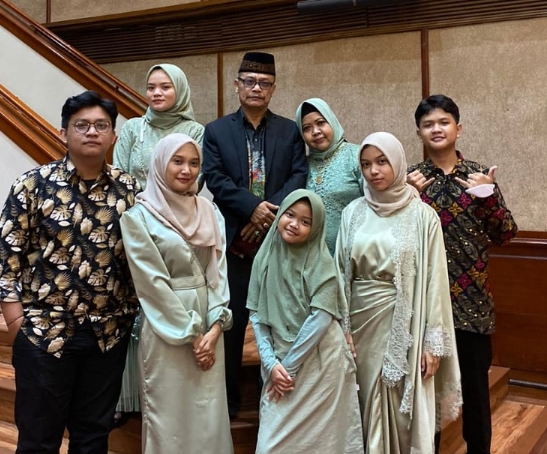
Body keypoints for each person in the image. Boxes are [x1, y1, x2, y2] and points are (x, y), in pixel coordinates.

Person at [0, 90, 140, 454]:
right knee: (38, 441)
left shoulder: (129, 191)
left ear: (113, 135)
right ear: (64, 132)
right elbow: (4, 256)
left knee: (93, 436)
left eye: (101, 125)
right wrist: (16, 324)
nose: (92, 131)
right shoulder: (33, 185)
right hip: (43, 336)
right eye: (82, 124)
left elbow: (146, 259)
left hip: (108, 335)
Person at [224, 189, 378, 454]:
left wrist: (287, 367)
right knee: (272, 453)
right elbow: (257, 316)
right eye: (290, 215)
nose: (294, 224)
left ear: (317, 228)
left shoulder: (321, 262)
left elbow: (321, 318)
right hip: (281, 366)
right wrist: (272, 364)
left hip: (321, 368)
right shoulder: (265, 256)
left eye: (306, 221)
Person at [119, 133, 243, 454]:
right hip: (167, 332)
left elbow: (218, 274)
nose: (187, 170)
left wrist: (215, 326)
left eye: (193, 162)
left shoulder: (208, 211)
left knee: (210, 435)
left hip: (210, 328)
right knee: (171, 437)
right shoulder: (137, 217)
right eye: (177, 162)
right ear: (159, 165)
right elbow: (151, 284)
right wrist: (192, 334)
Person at [335, 131, 462, 454]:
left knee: (405, 424)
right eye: (366, 164)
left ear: (398, 162)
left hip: (405, 327)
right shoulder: (353, 212)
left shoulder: (422, 216)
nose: (374, 171)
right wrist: (341, 329)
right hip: (358, 327)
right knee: (362, 420)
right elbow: (340, 272)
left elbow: (436, 281)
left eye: (382, 162)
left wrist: (432, 342)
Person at [407, 94, 518, 454]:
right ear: (419, 132)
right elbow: (396, 239)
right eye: (428, 124)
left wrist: (487, 196)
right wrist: (407, 199)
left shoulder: (478, 175)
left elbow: (505, 233)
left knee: (475, 394)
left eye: (444, 122)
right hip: (424, 307)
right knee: (427, 397)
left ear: (458, 128)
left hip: (472, 305)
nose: (436, 129)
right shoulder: (411, 179)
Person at [202, 51, 308, 420]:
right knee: (231, 327)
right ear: (237, 85)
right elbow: (215, 178)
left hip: (277, 245)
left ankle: (274, 405)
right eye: (249, 81)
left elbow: (298, 176)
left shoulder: (289, 131)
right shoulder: (216, 131)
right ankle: (229, 403)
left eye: (264, 83)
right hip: (234, 244)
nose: (256, 88)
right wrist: (251, 208)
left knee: (278, 326)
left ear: (273, 89)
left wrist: (267, 214)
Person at [112, 62, 205, 427]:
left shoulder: (194, 130)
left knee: (162, 300)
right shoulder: (133, 127)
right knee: (131, 306)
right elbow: (119, 177)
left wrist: (167, 218)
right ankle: (127, 396)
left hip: (176, 228)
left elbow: (193, 179)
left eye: (165, 86)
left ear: (179, 89)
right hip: (136, 222)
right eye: (151, 87)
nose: (157, 93)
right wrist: (138, 217)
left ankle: (166, 393)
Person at [295, 97, 363, 254]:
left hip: (352, 252)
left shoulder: (357, 156)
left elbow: (375, 202)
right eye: (307, 128)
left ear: (332, 121)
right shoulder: (302, 165)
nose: (315, 131)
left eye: (321, 123)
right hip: (312, 257)